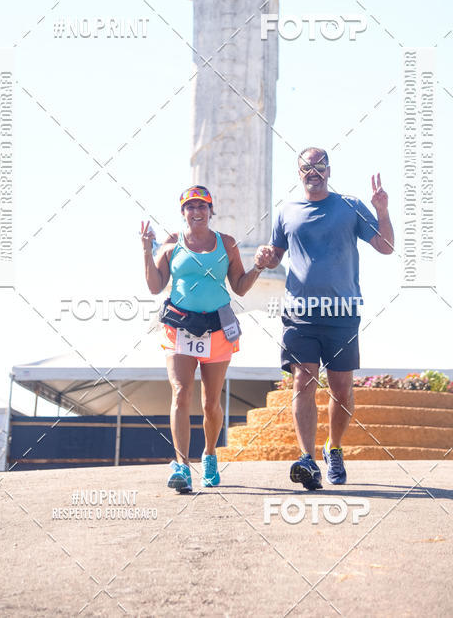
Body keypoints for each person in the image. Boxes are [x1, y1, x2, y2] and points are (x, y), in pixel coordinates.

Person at [256, 148, 394, 489]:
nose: (312, 171)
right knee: (303, 382)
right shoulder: (286, 211)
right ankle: (307, 459)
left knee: (342, 390)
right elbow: (275, 255)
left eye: (319, 166)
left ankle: (333, 447)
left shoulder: (349, 205)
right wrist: (265, 256)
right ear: (299, 172)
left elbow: (386, 246)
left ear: (329, 170)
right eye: (306, 167)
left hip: (342, 313)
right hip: (299, 314)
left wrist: (382, 210)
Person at [141, 185, 269, 493]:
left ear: (211, 211)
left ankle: (210, 453)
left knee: (211, 403)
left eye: (202, 206)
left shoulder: (226, 243)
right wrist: (146, 251)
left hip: (217, 329)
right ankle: (181, 465)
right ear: (183, 212)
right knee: (181, 393)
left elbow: (239, 286)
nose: (196, 211)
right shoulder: (172, 243)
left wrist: (258, 267)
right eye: (190, 206)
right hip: (180, 328)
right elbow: (156, 286)